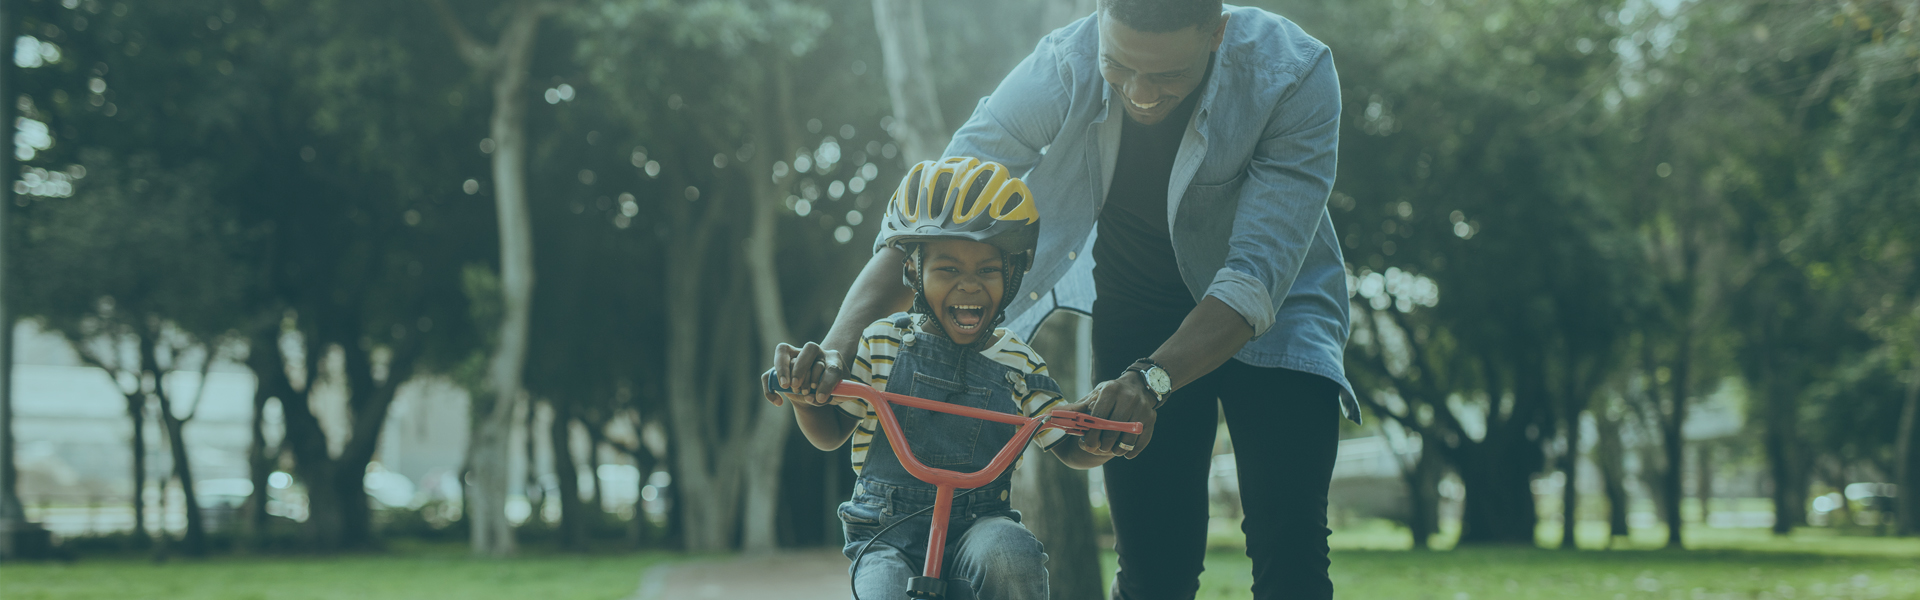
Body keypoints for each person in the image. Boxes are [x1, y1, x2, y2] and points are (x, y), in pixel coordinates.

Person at [779, 1, 1362, 598]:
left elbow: (1254, 277)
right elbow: (939, 211)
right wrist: (835, 349)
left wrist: (1152, 381)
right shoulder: (1064, 63)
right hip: (1140, 306)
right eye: (1119, 65)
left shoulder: (1295, 73)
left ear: (1218, 32)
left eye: (1166, 77)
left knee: (1289, 550)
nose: (1139, 94)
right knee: (1154, 567)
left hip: (1279, 312)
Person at [769, 157, 1112, 600]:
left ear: (1012, 275)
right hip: (886, 534)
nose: (969, 286)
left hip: (981, 525)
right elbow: (830, 432)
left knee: (1009, 555)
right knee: (883, 592)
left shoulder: (1019, 361)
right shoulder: (881, 343)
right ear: (913, 272)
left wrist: (1095, 437)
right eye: (947, 269)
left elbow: (1064, 439)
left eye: (987, 270)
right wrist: (804, 397)